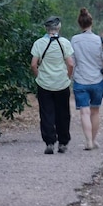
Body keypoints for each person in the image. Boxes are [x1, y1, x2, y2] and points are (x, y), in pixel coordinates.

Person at [30, 16, 74, 155]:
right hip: (62, 83)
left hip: (44, 84)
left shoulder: (39, 43)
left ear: (46, 28)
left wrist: (39, 76)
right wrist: (67, 76)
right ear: (59, 27)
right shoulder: (65, 43)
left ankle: (49, 142)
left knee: (46, 113)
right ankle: (63, 143)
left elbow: (33, 64)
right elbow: (71, 63)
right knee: (63, 114)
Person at [70, 8, 103, 150]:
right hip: (97, 80)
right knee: (95, 111)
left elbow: (72, 61)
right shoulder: (99, 40)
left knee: (84, 112)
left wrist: (71, 76)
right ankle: (93, 140)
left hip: (80, 80)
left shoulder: (74, 40)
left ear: (79, 24)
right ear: (91, 23)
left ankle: (88, 141)